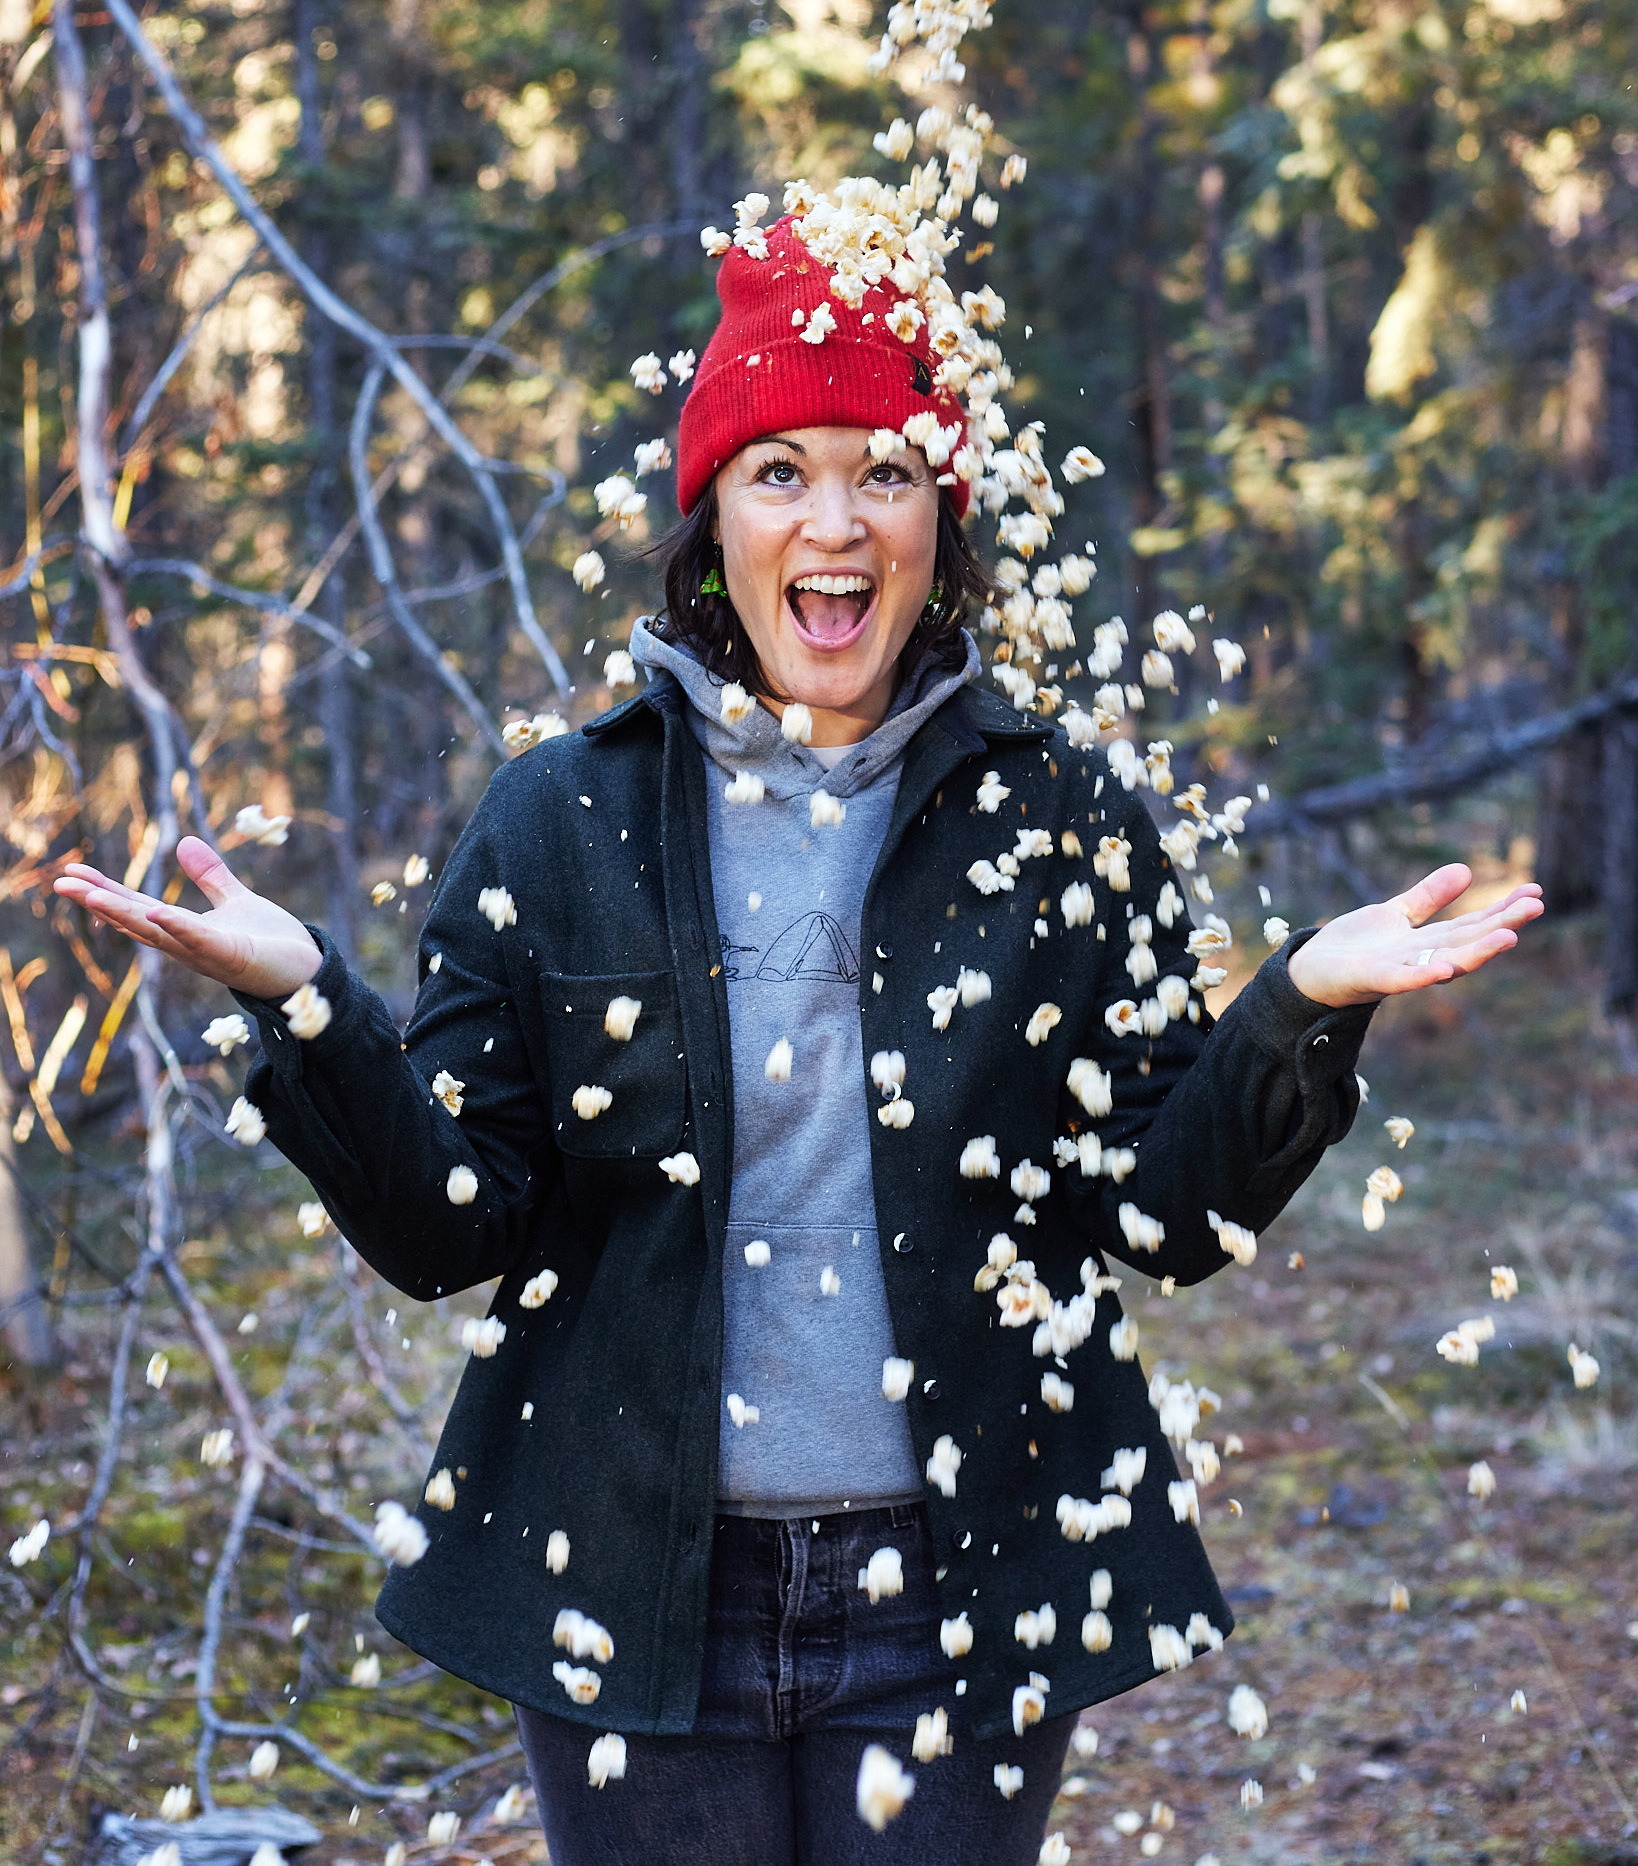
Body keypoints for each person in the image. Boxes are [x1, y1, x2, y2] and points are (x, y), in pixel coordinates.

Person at [56, 217, 1543, 1865]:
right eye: (779, 471)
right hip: (632, 1587)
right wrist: (307, 1006)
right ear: (713, 520)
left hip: (956, 1592)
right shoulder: (564, 817)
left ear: (943, 518)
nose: (834, 522)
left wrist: (1297, 1010)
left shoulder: (1054, 816)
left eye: (885, 471)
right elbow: (447, 1226)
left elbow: (1161, 1216)